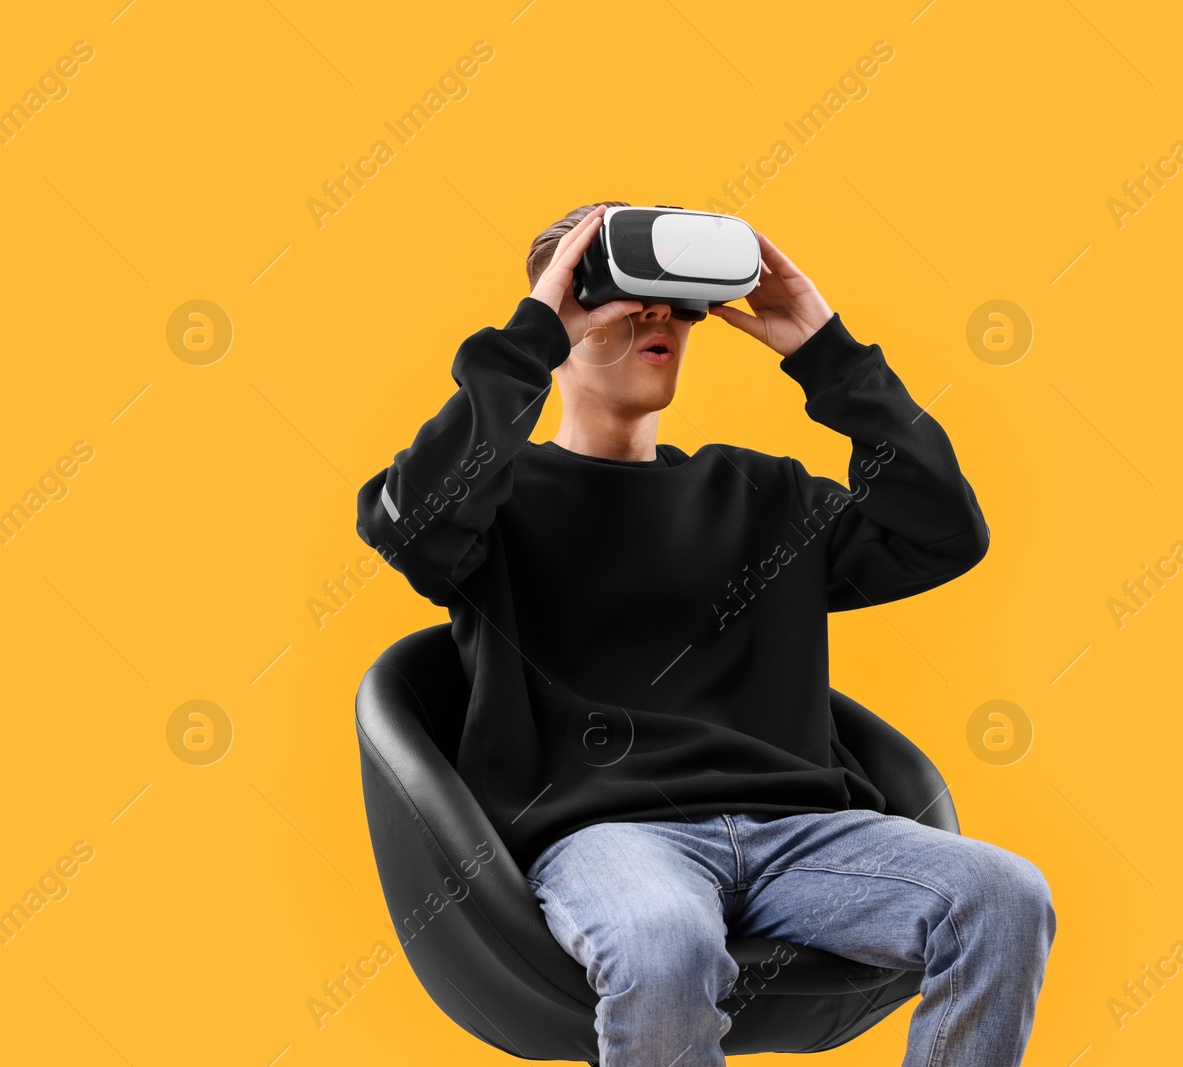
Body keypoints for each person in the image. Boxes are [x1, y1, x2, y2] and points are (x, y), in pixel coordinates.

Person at [354, 202, 1055, 1066]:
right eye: (626, 300)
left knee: (1004, 895)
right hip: (611, 838)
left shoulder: (762, 497)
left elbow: (944, 531)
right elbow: (411, 524)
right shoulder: (500, 501)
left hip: (803, 834)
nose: (660, 322)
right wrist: (531, 336)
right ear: (563, 315)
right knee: (662, 939)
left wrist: (825, 350)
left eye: (676, 305)